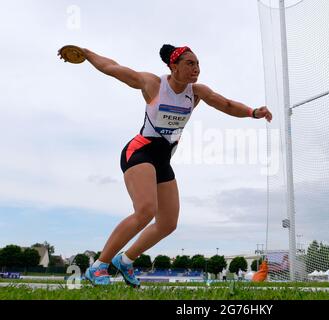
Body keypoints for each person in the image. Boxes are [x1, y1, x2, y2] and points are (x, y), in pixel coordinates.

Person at [58, 44, 273, 287]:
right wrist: (87, 54)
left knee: (168, 223)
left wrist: (253, 112)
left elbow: (225, 104)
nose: (196, 69)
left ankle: (126, 261)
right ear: (173, 66)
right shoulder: (153, 84)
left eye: (198, 64)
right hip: (139, 152)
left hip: (162, 160)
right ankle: (98, 267)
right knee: (146, 210)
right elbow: (113, 68)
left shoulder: (197, 92)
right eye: (190, 63)